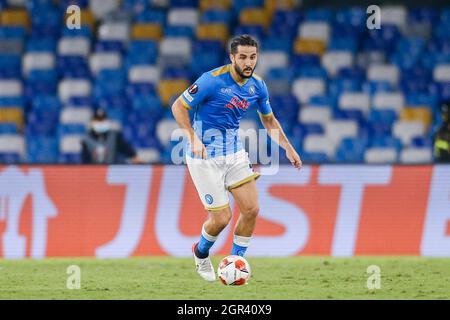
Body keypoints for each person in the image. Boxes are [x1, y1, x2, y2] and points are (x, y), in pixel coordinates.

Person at [171, 35, 302, 282]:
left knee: (251, 209)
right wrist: (192, 138)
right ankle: (200, 253)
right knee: (221, 218)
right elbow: (178, 106)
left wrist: (287, 147)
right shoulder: (211, 81)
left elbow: (269, 120)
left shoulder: (258, 86)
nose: (248, 62)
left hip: (234, 154)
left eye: (252, 57)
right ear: (232, 58)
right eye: (242, 57)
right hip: (204, 157)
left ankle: (234, 262)